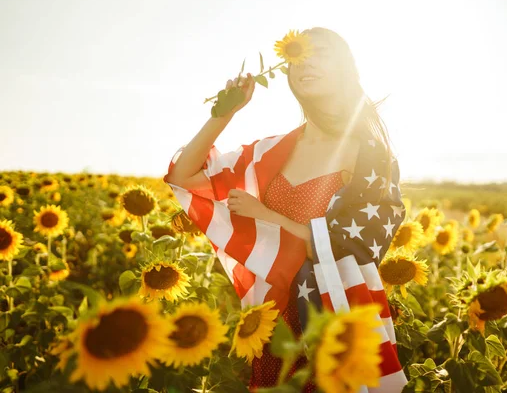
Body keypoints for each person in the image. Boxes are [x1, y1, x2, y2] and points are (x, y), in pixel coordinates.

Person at [164, 27, 408, 392]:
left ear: (345, 69)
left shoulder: (369, 153)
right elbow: (184, 175)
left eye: (320, 52)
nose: (305, 61)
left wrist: (270, 218)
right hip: (274, 327)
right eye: (298, 55)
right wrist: (225, 113)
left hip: (333, 319)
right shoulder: (269, 152)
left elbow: (362, 243)